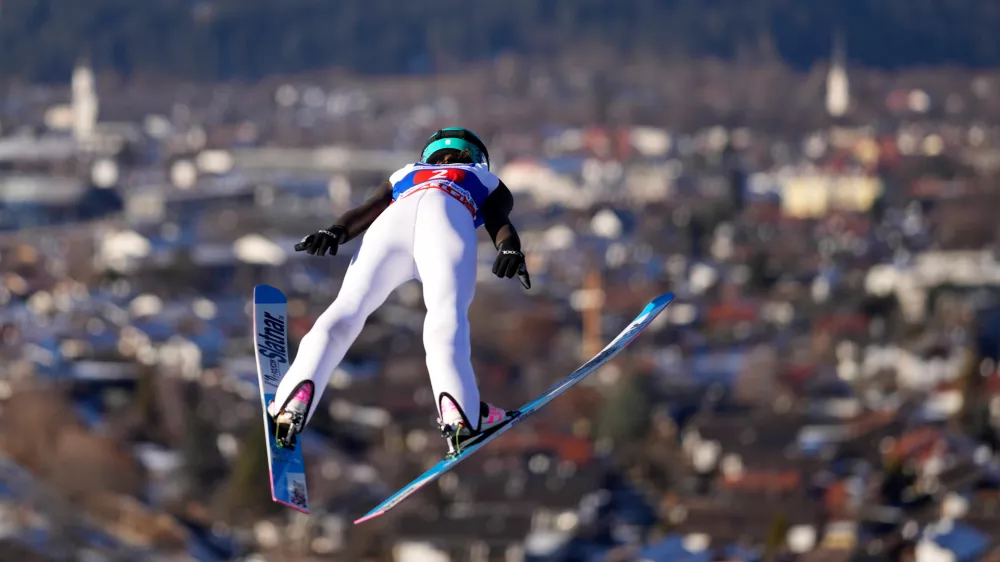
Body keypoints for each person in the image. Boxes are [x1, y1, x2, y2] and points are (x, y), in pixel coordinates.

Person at [268, 127, 530, 454]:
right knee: (444, 315)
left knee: (347, 309)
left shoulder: (406, 172)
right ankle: (460, 413)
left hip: (391, 223)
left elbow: (369, 208)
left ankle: (291, 400)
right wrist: (509, 250)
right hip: (447, 214)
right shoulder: (483, 178)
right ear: (479, 158)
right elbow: (498, 219)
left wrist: (334, 232)